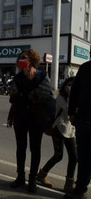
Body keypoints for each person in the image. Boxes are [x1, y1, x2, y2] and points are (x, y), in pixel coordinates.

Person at [8, 49, 53, 193]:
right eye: (20, 58)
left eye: (25, 58)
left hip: (37, 118)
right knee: (20, 148)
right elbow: (13, 97)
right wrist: (28, 96)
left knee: (35, 149)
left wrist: (24, 95)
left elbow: (45, 94)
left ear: (32, 60)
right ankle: (20, 177)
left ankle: (32, 179)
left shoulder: (42, 76)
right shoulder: (18, 77)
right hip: (20, 116)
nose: (22, 60)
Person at [36, 77, 77, 192]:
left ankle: (69, 183)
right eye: (69, 85)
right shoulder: (61, 98)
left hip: (70, 130)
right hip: (58, 129)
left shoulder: (76, 97)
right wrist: (70, 94)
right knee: (58, 156)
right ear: (65, 86)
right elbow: (70, 110)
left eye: (74, 85)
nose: (71, 87)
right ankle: (42, 175)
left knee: (74, 157)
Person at [65, 60, 91, 199]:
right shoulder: (85, 68)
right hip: (84, 120)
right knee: (84, 157)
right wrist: (71, 113)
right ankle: (80, 189)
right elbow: (75, 91)